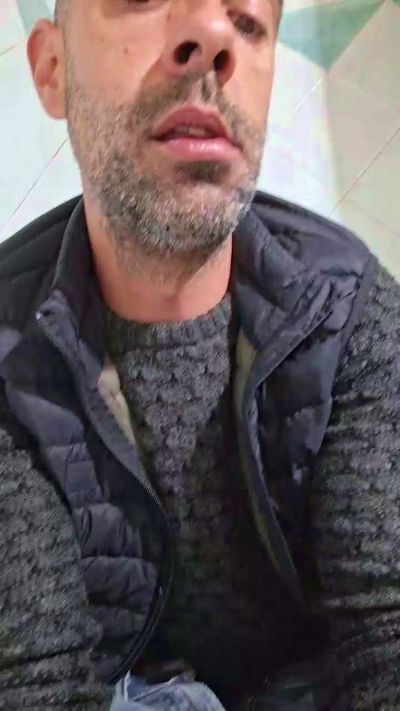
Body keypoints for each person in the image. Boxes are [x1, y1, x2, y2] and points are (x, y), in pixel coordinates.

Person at [0, 0, 399, 708]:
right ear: (53, 69)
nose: (212, 33)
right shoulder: (7, 354)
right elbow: (37, 682)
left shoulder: (352, 315)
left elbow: (388, 639)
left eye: (247, 21)